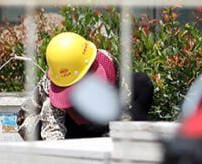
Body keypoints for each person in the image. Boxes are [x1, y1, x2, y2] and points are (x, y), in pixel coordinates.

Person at [20, 31, 149, 141]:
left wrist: (117, 136)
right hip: (47, 123)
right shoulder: (52, 89)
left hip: (93, 117)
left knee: (141, 84)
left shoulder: (106, 62)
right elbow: (53, 131)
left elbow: (124, 100)